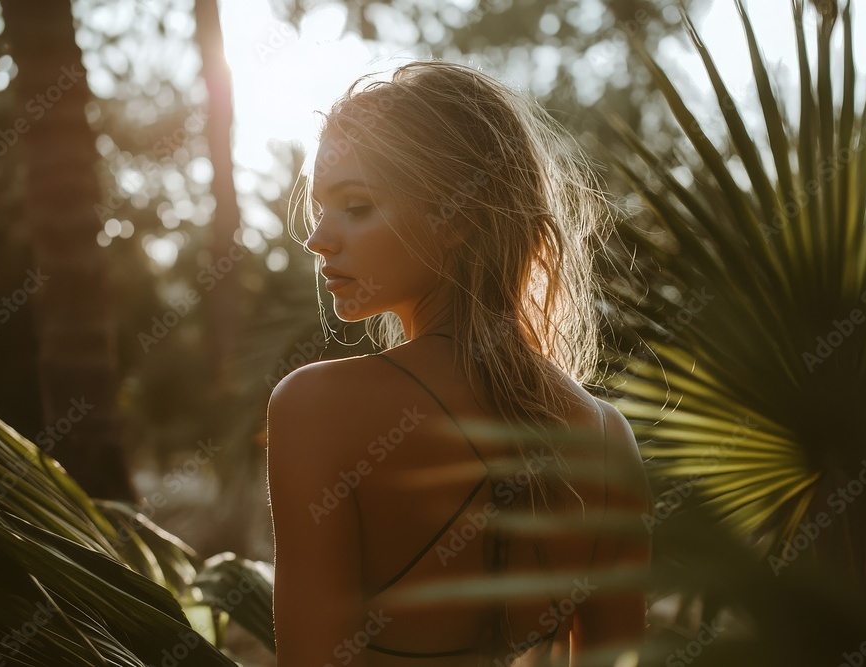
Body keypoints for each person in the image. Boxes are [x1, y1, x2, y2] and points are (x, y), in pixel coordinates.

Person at [266, 60, 651, 666]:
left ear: (458, 219)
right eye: (320, 208)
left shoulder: (316, 409)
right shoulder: (608, 440)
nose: (318, 238)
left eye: (357, 206)